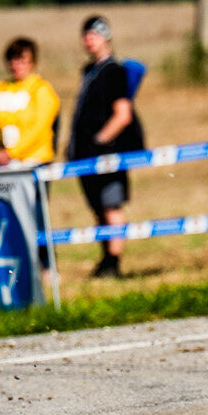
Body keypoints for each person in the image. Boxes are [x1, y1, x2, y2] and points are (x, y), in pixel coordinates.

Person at [67, 15, 143, 277]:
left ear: (106, 37)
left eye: (95, 35)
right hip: (87, 155)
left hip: (107, 154)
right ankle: (106, 258)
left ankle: (114, 261)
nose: (90, 40)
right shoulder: (89, 71)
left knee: (111, 206)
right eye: (86, 35)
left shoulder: (115, 71)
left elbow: (123, 114)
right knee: (98, 209)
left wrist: (100, 140)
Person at [0, 37, 59, 166]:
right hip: (2, 162)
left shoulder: (41, 89)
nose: (16, 64)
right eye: (12, 59)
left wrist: (12, 153)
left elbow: (40, 127)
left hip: (34, 160)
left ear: (32, 62)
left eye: (22, 60)